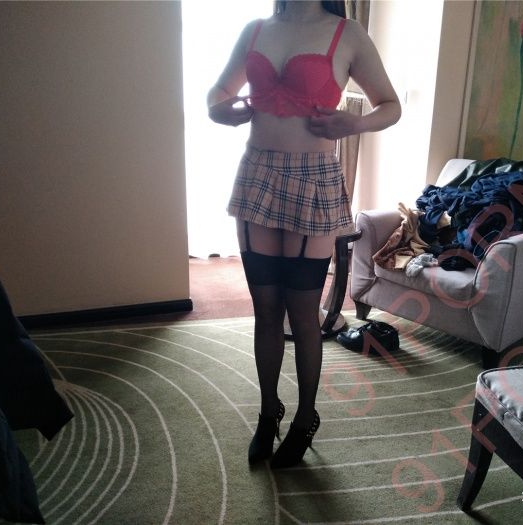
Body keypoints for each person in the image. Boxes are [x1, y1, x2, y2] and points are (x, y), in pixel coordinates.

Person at [207, 0, 401, 469]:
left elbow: (390, 105)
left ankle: (305, 417)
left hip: (313, 178)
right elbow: (218, 92)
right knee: (265, 310)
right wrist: (221, 111)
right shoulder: (255, 29)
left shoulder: (347, 33)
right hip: (257, 173)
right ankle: (268, 411)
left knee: (303, 314)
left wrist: (356, 123)